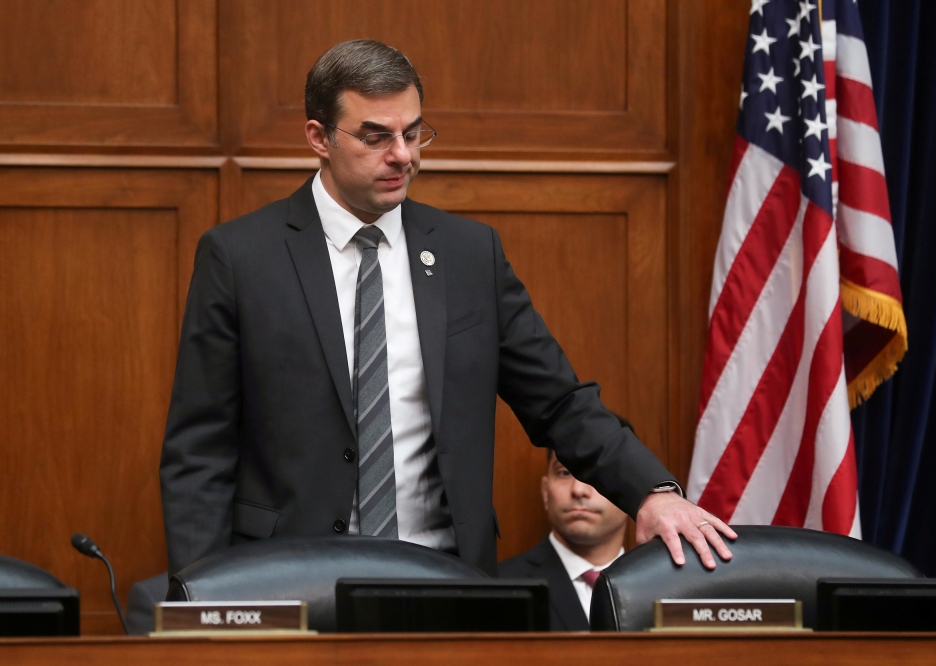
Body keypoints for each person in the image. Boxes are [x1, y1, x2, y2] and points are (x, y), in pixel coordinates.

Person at [159, 39, 736, 577]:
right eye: (376, 137)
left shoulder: (467, 255)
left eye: (414, 133)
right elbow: (199, 451)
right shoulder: (241, 257)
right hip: (291, 579)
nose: (403, 156)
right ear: (319, 137)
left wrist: (651, 493)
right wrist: (206, 598)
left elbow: (559, 401)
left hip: (444, 580)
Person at [499, 448, 628, 630]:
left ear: (631, 493)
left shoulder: (665, 587)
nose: (579, 489)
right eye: (565, 473)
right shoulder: (502, 587)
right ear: (545, 491)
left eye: (599, 472)